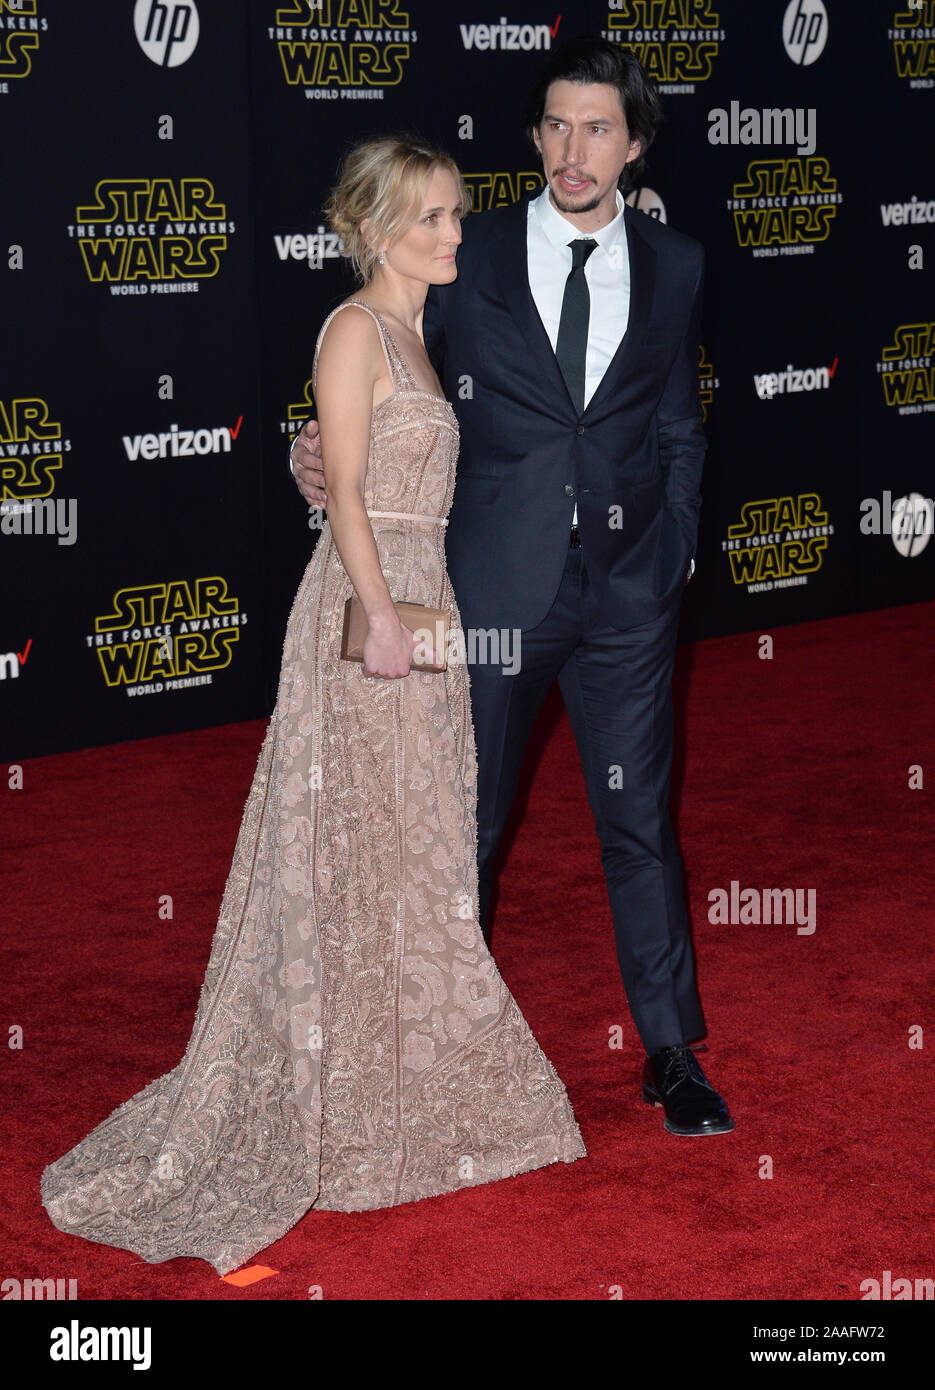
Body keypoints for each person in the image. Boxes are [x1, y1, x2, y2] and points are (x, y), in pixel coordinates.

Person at [41, 137, 586, 1278]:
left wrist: (406, 597)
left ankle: (394, 1083)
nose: (451, 234)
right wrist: (382, 614)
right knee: (352, 845)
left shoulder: (414, 336)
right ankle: (334, 1099)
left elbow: (356, 465)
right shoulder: (352, 328)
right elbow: (343, 491)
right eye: (430, 219)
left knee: (413, 846)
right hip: (368, 612)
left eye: (453, 216)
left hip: (421, 603)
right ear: (377, 227)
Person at [292, 38, 734, 1137]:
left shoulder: (674, 265)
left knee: (637, 822)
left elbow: (676, 419)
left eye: (596, 129)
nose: (571, 149)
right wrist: (315, 457)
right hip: (486, 596)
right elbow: (382, 372)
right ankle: (438, 1054)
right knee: (463, 825)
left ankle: (670, 1052)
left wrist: (673, 544)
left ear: (632, 146)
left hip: (627, 599)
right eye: (554, 125)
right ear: (534, 135)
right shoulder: (465, 251)